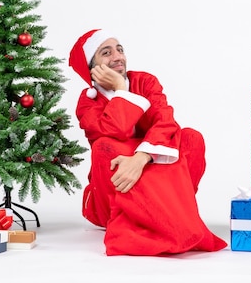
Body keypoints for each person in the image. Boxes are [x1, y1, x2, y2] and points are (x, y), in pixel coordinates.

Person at [68, 29, 227, 256]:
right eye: (106, 52)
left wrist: (142, 158)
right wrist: (121, 90)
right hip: (113, 192)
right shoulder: (87, 103)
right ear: (92, 69)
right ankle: (156, 226)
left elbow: (166, 121)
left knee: (191, 138)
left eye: (120, 49)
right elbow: (118, 130)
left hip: (144, 166)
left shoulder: (145, 81)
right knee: (106, 146)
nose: (118, 56)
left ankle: (176, 214)